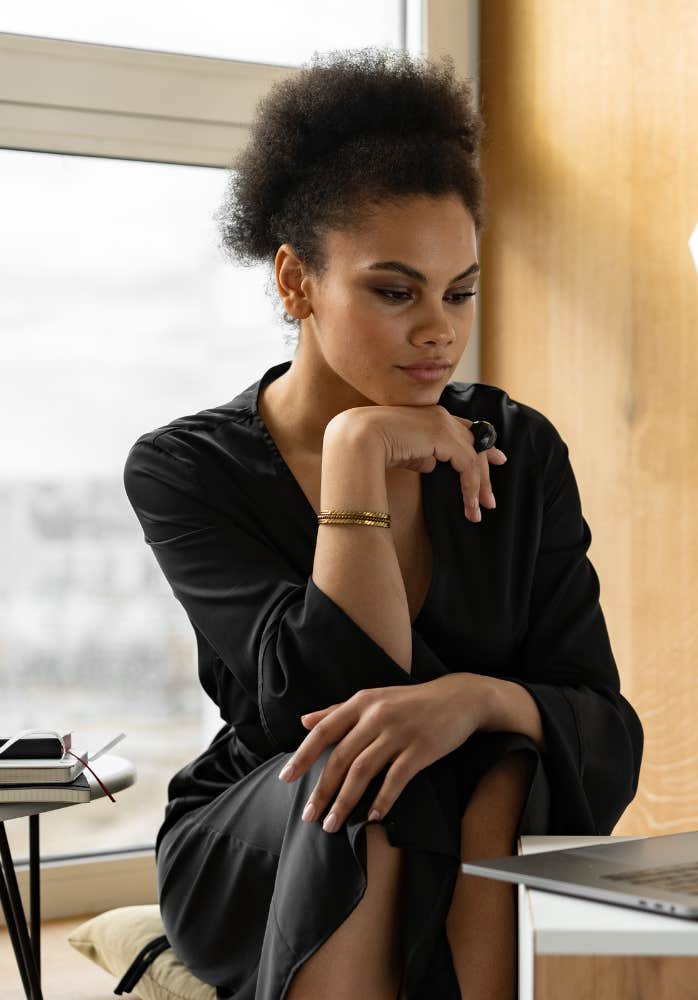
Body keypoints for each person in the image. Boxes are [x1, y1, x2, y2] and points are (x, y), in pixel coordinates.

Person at [122, 46, 644, 1000]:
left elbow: (602, 721)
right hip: (275, 818)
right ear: (295, 283)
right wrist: (360, 452)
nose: (440, 330)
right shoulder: (184, 469)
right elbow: (318, 707)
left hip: (470, 804)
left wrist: (473, 700)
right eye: (395, 292)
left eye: (461, 291)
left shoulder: (519, 451)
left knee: (500, 761)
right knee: (353, 782)